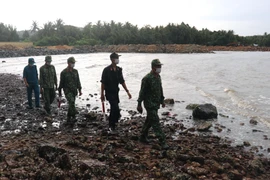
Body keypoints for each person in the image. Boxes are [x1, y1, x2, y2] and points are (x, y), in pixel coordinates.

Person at [137, 59, 169, 149]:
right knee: (155, 121)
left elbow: (160, 89)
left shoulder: (158, 77)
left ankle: (143, 136)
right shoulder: (147, 78)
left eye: (160, 66)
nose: (159, 68)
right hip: (149, 104)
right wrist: (139, 104)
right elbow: (142, 92)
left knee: (150, 120)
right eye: (158, 66)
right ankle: (162, 141)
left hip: (156, 103)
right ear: (153, 67)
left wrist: (162, 100)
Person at [100, 52, 132, 131]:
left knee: (116, 110)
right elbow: (103, 83)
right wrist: (102, 94)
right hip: (109, 92)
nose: (118, 60)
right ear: (112, 59)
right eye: (116, 58)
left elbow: (122, 81)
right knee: (114, 108)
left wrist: (127, 91)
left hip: (115, 92)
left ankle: (114, 122)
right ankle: (111, 125)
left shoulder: (118, 70)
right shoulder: (106, 70)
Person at [58, 57, 82, 123]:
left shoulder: (75, 71)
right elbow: (61, 83)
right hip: (67, 90)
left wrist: (80, 89)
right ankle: (73, 117)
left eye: (74, 63)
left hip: (74, 90)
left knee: (72, 103)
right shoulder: (63, 72)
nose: (73, 64)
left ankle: (69, 117)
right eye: (72, 63)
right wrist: (59, 92)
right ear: (68, 63)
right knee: (71, 101)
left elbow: (78, 81)